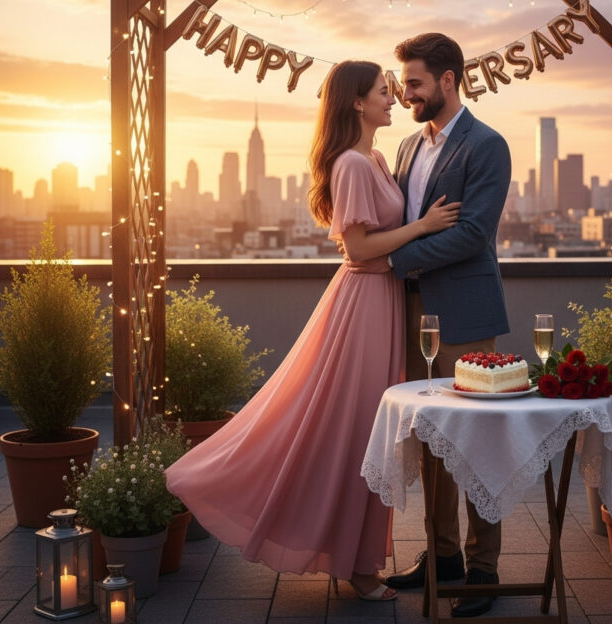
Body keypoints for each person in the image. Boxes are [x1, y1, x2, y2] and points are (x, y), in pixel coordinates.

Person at [165, 60, 460, 602]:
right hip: (365, 303)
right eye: (382, 91)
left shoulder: (373, 157)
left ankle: (357, 556)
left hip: (381, 302)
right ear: (356, 102)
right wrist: (422, 226)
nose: (392, 98)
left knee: (361, 430)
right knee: (354, 431)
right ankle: (358, 564)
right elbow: (357, 248)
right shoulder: (351, 163)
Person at [382, 33, 512, 618]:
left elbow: (471, 235)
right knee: (433, 434)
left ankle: (483, 567)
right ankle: (442, 557)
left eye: (413, 82)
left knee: (476, 438)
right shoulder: (408, 146)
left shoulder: (488, 146)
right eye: (403, 82)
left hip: (462, 311)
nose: (404, 91)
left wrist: (394, 260)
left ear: (448, 80)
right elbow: (408, 221)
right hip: (409, 311)